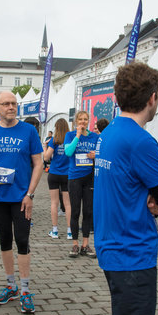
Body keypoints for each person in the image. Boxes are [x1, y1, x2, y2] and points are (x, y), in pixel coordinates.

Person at [92, 62, 158, 315]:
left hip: (112, 245)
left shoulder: (110, 132)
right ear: (152, 98)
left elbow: (143, 187)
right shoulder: (141, 141)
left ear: (116, 97)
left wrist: (153, 198)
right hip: (132, 252)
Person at [0, 91, 43, 314]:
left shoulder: (29, 130)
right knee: (4, 240)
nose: (11, 107)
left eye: (14, 103)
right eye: (6, 104)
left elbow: (38, 163)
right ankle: (11, 286)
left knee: (22, 240)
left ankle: (25, 290)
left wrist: (31, 194)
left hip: (21, 198)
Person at [64, 111, 98, 259]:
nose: (83, 122)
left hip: (89, 178)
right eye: (80, 119)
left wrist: (96, 155)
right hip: (75, 178)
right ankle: (75, 244)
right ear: (76, 121)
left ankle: (86, 244)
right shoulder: (70, 135)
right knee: (75, 211)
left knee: (88, 211)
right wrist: (78, 135)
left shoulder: (95, 137)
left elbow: (103, 154)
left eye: (85, 119)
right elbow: (68, 152)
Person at [43, 118, 72, 240]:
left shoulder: (54, 141)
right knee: (68, 203)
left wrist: (44, 146)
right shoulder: (71, 140)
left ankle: (55, 231)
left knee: (54, 203)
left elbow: (46, 158)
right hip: (67, 174)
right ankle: (70, 231)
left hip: (54, 173)